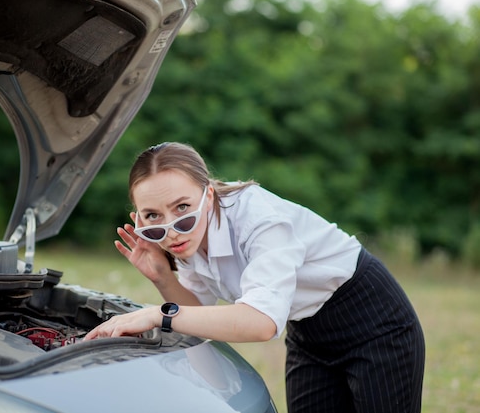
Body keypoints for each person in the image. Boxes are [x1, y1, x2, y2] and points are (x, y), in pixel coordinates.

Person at [84, 141, 425, 413]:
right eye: (153, 216)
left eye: (182, 208)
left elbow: (261, 322)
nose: (172, 229)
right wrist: (162, 277)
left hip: (372, 321)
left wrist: (156, 315)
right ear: (139, 218)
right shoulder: (185, 238)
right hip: (308, 333)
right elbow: (196, 313)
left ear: (209, 195)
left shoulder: (260, 220)